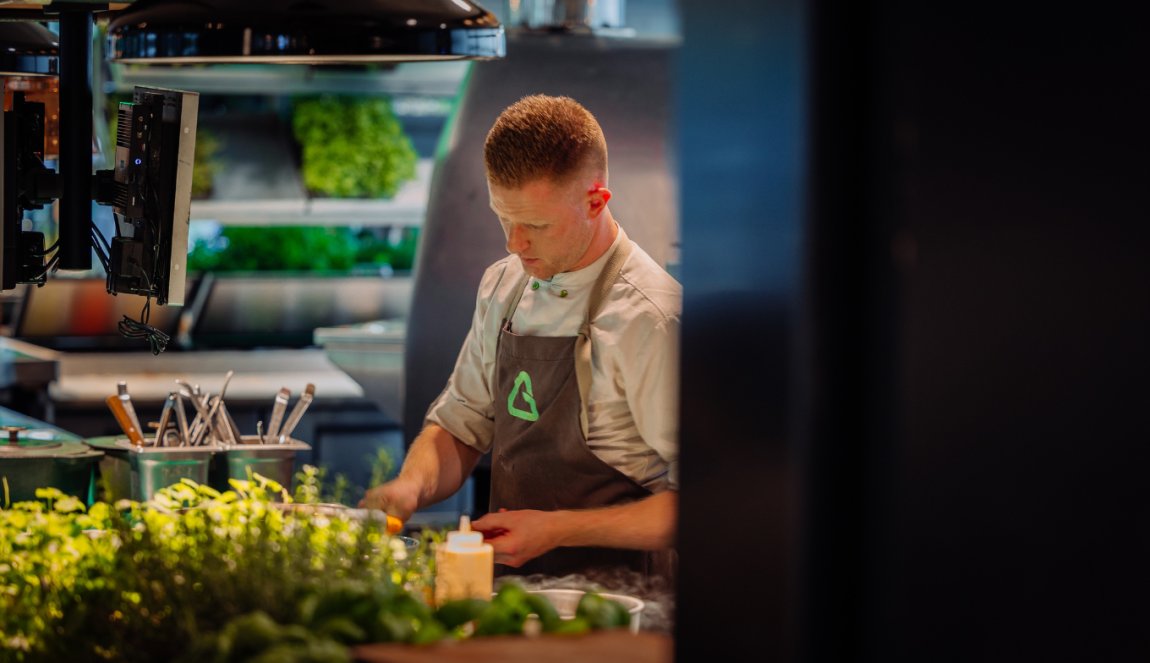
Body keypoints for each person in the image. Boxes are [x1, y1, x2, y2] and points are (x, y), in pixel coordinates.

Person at [361, 94, 680, 581]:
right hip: (515, 596)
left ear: (595, 201)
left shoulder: (651, 318)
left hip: (622, 605)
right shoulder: (504, 284)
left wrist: (557, 530)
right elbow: (462, 423)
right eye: (502, 217)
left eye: (535, 224)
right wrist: (410, 487)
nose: (514, 243)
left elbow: (709, 504)